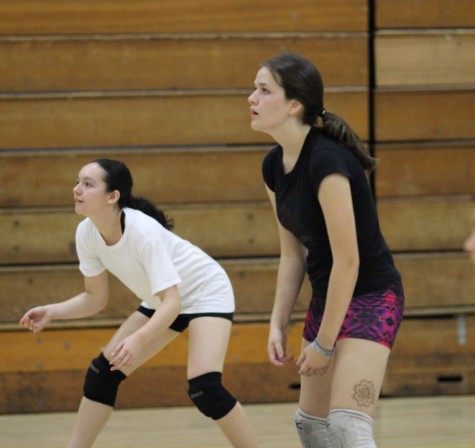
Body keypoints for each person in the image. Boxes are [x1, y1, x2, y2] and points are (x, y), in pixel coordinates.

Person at [19, 159, 257, 448]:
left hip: (205, 292)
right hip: (162, 300)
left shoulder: (141, 231)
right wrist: (53, 311)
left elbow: (173, 303)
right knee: (102, 375)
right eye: (78, 181)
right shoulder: (86, 232)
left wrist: (139, 339)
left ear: (113, 196)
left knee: (205, 388)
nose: (77, 189)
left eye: (88, 184)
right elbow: (95, 298)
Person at [247, 52, 405, 447]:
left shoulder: (327, 161)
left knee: (348, 427)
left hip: (372, 296)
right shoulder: (272, 166)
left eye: (264, 90)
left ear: (294, 104)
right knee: (312, 428)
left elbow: (348, 260)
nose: (251, 98)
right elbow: (292, 254)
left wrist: (324, 344)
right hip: (328, 298)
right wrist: (277, 323)